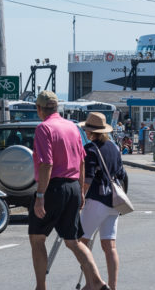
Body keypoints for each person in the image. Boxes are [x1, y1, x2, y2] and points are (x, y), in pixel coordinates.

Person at [28, 91, 109, 290]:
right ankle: (97, 282)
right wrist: (81, 191)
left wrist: (40, 196)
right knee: (73, 241)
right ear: (56, 108)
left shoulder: (44, 128)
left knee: (37, 238)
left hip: (53, 187)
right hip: (73, 186)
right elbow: (81, 160)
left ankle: (41, 287)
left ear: (39, 109)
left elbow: (46, 163)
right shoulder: (72, 127)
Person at [79, 112, 128, 290]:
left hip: (96, 200)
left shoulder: (90, 149)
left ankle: (93, 283)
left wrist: (80, 199)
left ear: (90, 131)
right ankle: (112, 286)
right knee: (110, 245)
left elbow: (88, 179)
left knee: (80, 243)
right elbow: (122, 174)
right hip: (113, 202)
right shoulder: (114, 147)